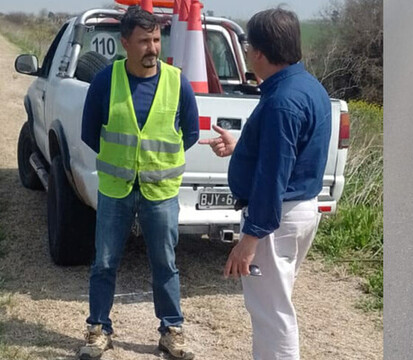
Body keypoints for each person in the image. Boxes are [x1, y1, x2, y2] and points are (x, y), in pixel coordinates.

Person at [198, 7, 331, 359]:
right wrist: (242, 146)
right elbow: (289, 151)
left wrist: (249, 239)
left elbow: (274, 175)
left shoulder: (282, 102)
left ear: (258, 52)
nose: (246, 54)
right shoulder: (306, 87)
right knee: (275, 307)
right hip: (297, 210)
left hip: (278, 217)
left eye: (247, 48)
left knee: (272, 314)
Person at [78, 6, 198, 360]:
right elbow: (90, 132)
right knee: (104, 262)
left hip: (160, 192)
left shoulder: (178, 82)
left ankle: (171, 331)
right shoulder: (105, 81)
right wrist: (124, 164)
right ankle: (98, 331)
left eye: (157, 39)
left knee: (165, 263)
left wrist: (152, 165)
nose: (153, 48)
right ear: (125, 42)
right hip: (116, 189)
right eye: (144, 41)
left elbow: (188, 134)